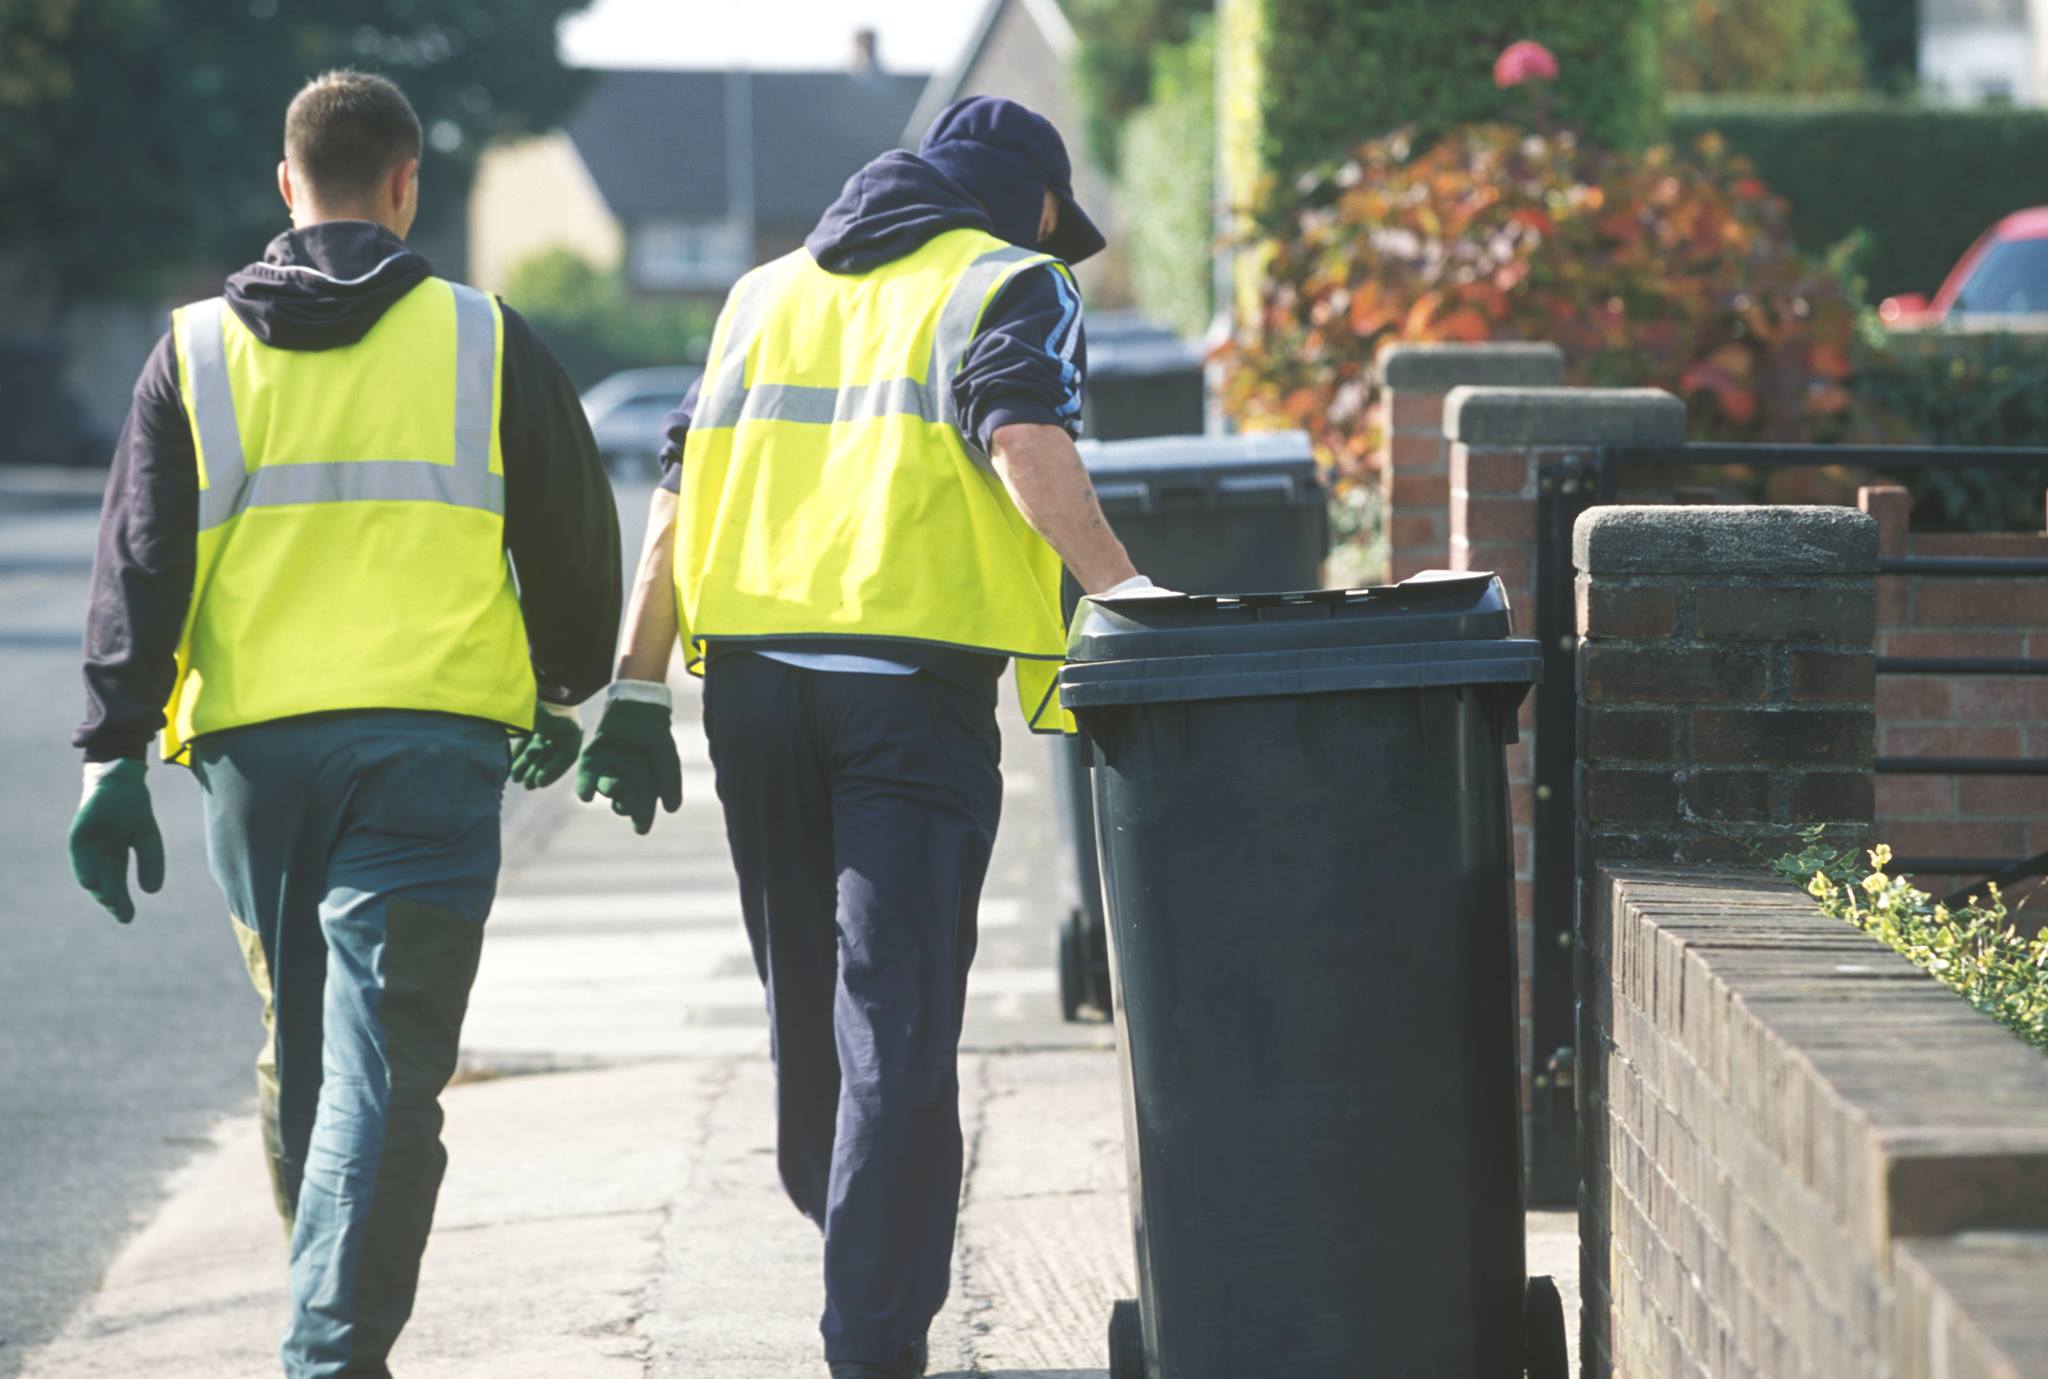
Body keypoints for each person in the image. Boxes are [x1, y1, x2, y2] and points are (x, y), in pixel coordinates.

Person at [575, 96, 1152, 1378]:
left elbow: (679, 486)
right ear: (1035, 202)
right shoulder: (1010, 281)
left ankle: (856, 1259)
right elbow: (1020, 433)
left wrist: (632, 682)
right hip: (907, 696)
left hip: (756, 700)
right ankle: (872, 1335)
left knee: (809, 1017)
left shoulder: (760, 293)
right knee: (892, 1020)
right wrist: (1130, 600)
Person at [66, 69, 621, 1378]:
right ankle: (332, 1344)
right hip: (432, 749)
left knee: (310, 1045)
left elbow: (137, 562)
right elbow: (575, 532)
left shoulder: (194, 350)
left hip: (254, 761)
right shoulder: (484, 337)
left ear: (285, 185)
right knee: (387, 1054)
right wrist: (562, 683)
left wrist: (111, 752)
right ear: (406, 183)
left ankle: (328, 1308)